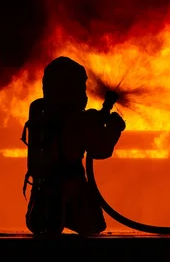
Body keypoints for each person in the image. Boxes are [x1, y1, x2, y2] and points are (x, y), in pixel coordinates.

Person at [23, 57, 126, 236]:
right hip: (71, 205)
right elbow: (102, 150)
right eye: (80, 87)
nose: (83, 93)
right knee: (96, 228)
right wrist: (115, 129)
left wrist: (100, 115)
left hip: (39, 210)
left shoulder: (41, 113)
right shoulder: (79, 121)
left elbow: (73, 130)